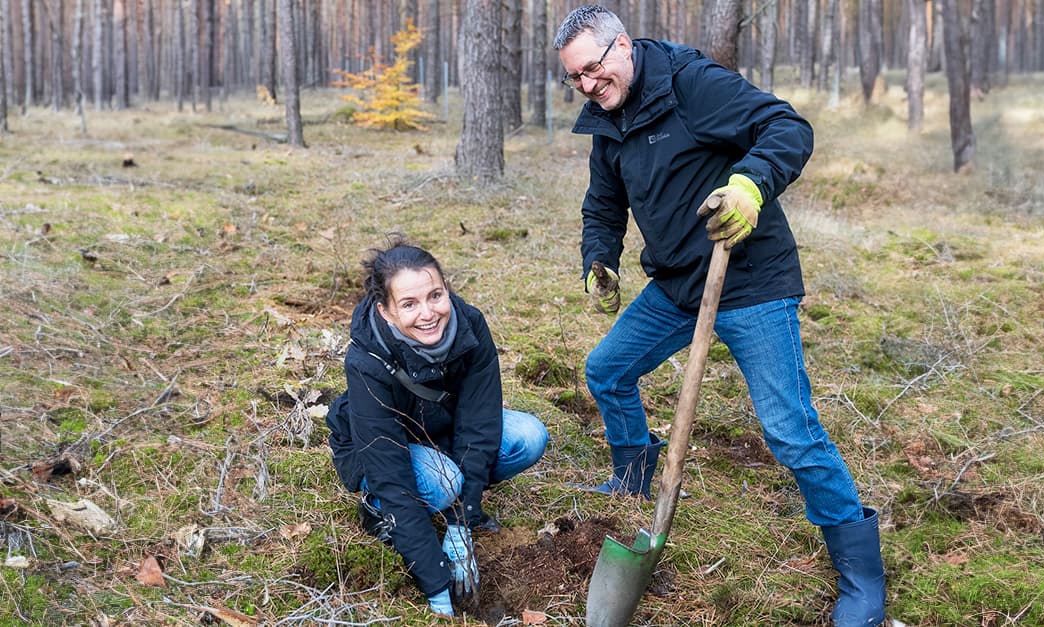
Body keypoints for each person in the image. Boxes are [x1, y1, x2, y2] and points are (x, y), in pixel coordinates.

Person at [553, 6, 885, 626]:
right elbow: (603, 201)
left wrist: (750, 186)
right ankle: (632, 479)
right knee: (607, 370)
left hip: (751, 280)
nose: (589, 88)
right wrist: (599, 257)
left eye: (595, 71)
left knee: (789, 429)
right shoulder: (606, 117)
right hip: (680, 284)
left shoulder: (691, 85)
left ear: (622, 46)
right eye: (576, 79)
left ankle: (861, 573)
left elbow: (787, 128)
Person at [325, 236, 549, 618]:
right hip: (379, 451)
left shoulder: (470, 326)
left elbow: (479, 424)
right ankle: (375, 510)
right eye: (409, 304)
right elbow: (389, 469)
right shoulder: (367, 359)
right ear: (386, 310)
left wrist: (462, 523)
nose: (428, 313)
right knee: (443, 482)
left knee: (529, 437)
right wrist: (436, 585)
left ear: (447, 289)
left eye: (435, 296)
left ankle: (454, 500)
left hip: (441, 431)